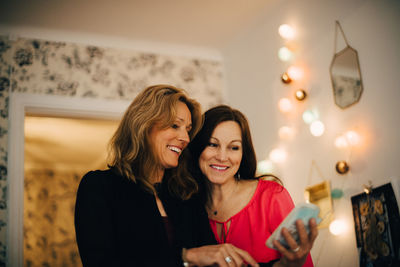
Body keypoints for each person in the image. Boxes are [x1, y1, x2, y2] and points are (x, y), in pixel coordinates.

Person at [74, 85, 259, 267]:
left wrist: (280, 264)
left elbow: (214, 260)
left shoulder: (187, 195)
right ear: (144, 125)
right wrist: (186, 257)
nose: (185, 138)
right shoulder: (99, 186)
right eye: (175, 125)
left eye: (187, 129)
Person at [188, 105, 318, 267]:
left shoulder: (272, 197)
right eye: (213, 144)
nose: (222, 157)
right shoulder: (186, 207)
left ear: (243, 154)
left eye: (234, 147)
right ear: (198, 147)